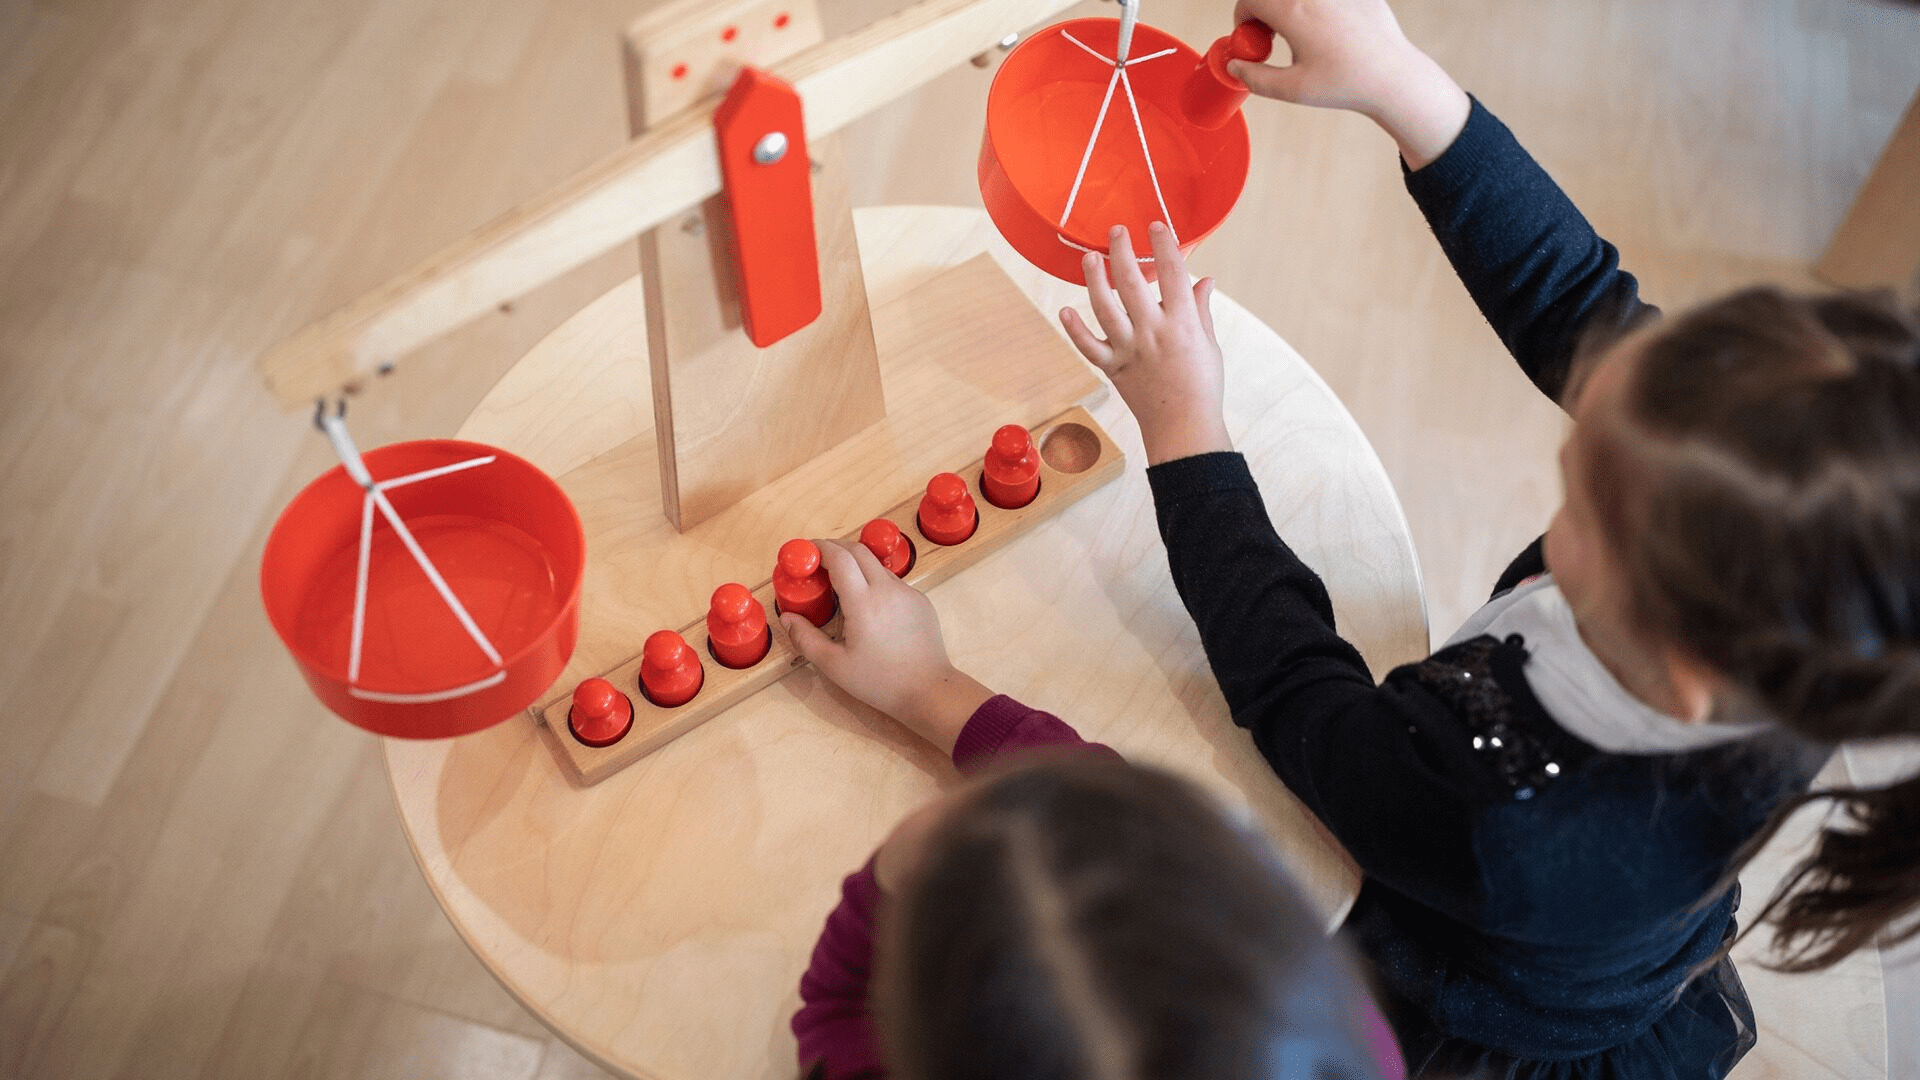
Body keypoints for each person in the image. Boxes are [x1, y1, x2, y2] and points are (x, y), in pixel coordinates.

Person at [1051, 1, 1920, 1076]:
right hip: (1607, 927)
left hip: (1464, 985)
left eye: (1582, 504)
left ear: (1682, 659)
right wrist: (1402, 86)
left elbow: (1300, 698)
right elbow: (1577, 303)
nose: (1569, 452)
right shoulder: (1799, 593)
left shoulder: (1496, 820)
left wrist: (1187, 430)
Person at [782, 539, 1403, 1080]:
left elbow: (837, 1017)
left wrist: (885, 883)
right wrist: (924, 687)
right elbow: (1126, 844)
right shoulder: (1339, 1046)